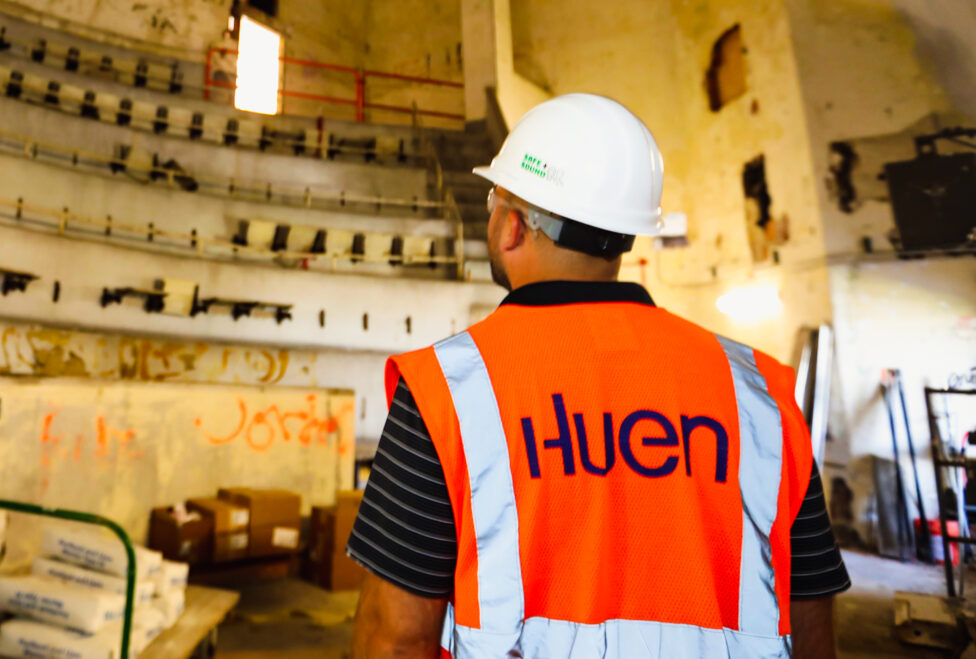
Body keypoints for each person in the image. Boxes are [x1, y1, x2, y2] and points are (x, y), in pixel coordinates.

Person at [347, 93, 849, 659]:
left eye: (495, 199)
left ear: (512, 226)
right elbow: (811, 625)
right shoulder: (758, 392)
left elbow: (393, 639)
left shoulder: (449, 390)